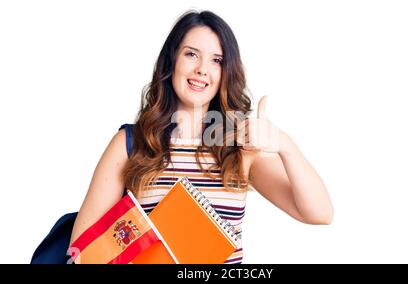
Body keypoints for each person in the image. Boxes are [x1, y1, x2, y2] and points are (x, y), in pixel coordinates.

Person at [69, 10, 333, 264]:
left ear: (226, 72)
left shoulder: (239, 146)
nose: (202, 69)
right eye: (191, 54)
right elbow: (81, 252)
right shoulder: (130, 143)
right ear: (172, 61)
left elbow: (320, 213)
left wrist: (284, 145)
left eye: (216, 60)